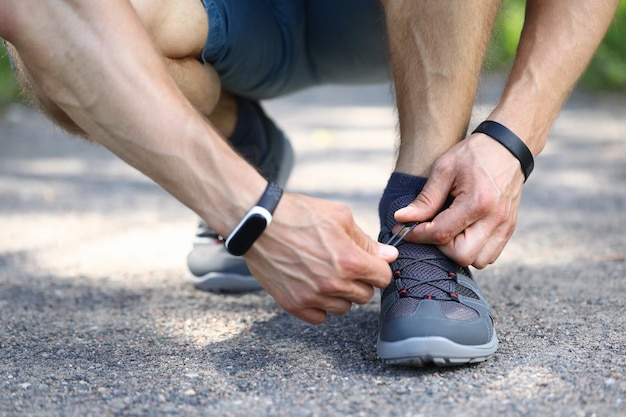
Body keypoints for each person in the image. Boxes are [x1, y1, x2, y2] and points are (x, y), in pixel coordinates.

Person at [0, 0, 618, 366]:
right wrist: (250, 210)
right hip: (225, 14)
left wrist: (514, 138)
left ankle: (419, 219)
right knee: (53, 55)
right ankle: (241, 146)